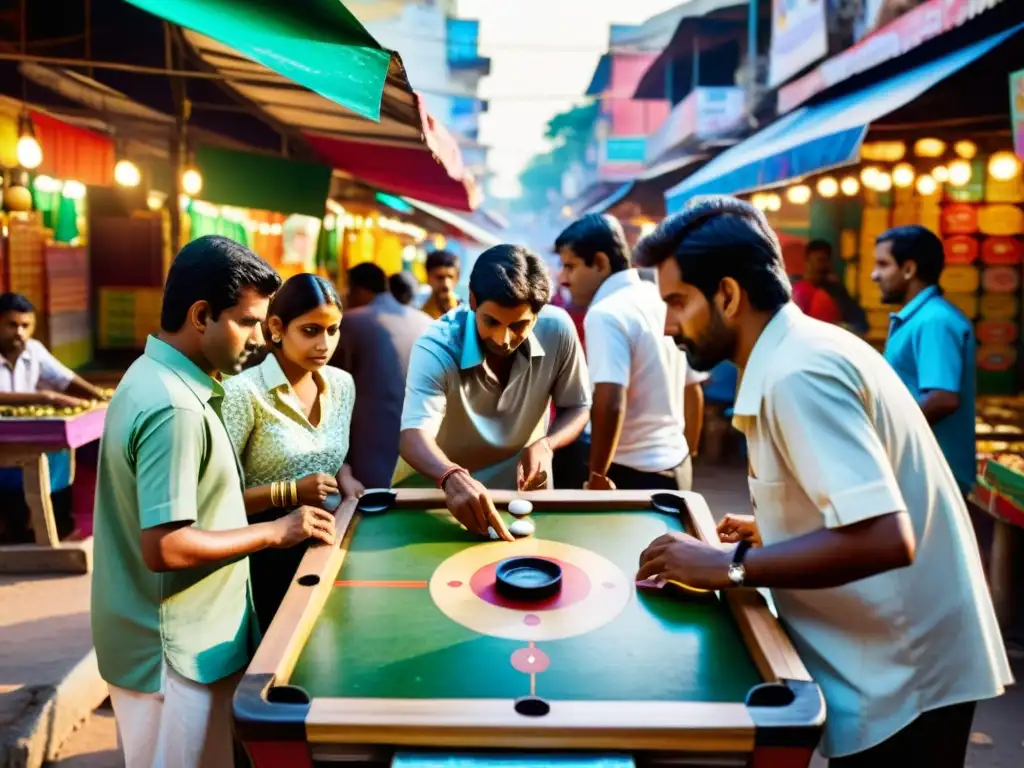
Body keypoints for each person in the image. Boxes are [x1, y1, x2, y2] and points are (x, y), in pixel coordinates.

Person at [631, 197, 1011, 767]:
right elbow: (856, 503)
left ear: (729, 296)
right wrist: (778, 527)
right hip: (890, 663)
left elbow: (886, 537)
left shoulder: (798, 373)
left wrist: (729, 567)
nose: (667, 325)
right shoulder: (797, 353)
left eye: (677, 302)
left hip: (907, 676)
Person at [90, 236, 336, 768]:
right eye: (247, 322)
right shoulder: (175, 407)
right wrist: (279, 529)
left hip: (188, 643)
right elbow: (167, 547)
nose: (257, 338)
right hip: (173, 655)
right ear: (201, 315)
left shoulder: (161, 378)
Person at [399, 244, 591, 540]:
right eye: (492, 322)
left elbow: (577, 405)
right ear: (473, 301)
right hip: (437, 502)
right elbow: (413, 435)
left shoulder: (559, 329)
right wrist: (452, 476)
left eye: (519, 325)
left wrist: (547, 445)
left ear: (539, 314)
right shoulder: (435, 345)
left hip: (524, 497)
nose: (503, 339)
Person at [222, 273, 363, 633]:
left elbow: (327, 452)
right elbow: (215, 503)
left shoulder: (342, 384)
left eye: (333, 330)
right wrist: (291, 492)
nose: (325, 343)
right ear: (276, 328)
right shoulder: (243, 394)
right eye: (311, 330)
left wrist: (344, 476)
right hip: (260, 559)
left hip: (327, 546)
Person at [555, 213, 705, 491]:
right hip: (675, 464)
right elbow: (692, 388)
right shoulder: (659, 298)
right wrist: (689, 452)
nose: (563, 278)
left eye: (570, 266)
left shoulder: (606, 313)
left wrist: (597, 475)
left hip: (627, 472)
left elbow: (610, 400)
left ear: (600, 262)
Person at [871, 226, 975, 497]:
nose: (874, 275)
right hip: (917, 473)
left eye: (883, 264)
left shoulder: (934, 320)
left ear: (908, 269)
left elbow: (942, 398)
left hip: (934, 477)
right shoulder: (917, 319)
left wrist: (878, 433)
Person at [0, 291, 111, 540]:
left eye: (25, 326)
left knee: (59, 455)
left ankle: (57, 527)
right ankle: (17, 530)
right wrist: (46, 398)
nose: (19, 332)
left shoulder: (34, 350)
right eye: (11, 325)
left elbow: (65, 379)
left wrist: (101, 397)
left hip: (24, 436)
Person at [331, 263, 432, 489]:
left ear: (359, 290)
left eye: (348, 291)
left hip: (370, 451)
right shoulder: (426, 321)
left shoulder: (351, 323)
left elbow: (331, 389)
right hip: (426, 450)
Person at [792, 240, 868, 334]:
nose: (822, 265)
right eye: (819, 260)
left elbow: (860, 324)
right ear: (807, 261)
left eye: (826, 260)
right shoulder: (794, 288)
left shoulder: (836, 290)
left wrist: (839, 327)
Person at [419, 249, 462, 319]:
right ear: (428, 277)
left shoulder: (467, 313)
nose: (446, 284)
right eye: (440, 277)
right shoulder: (415, 307)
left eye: (450, 277)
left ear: (457, 278)